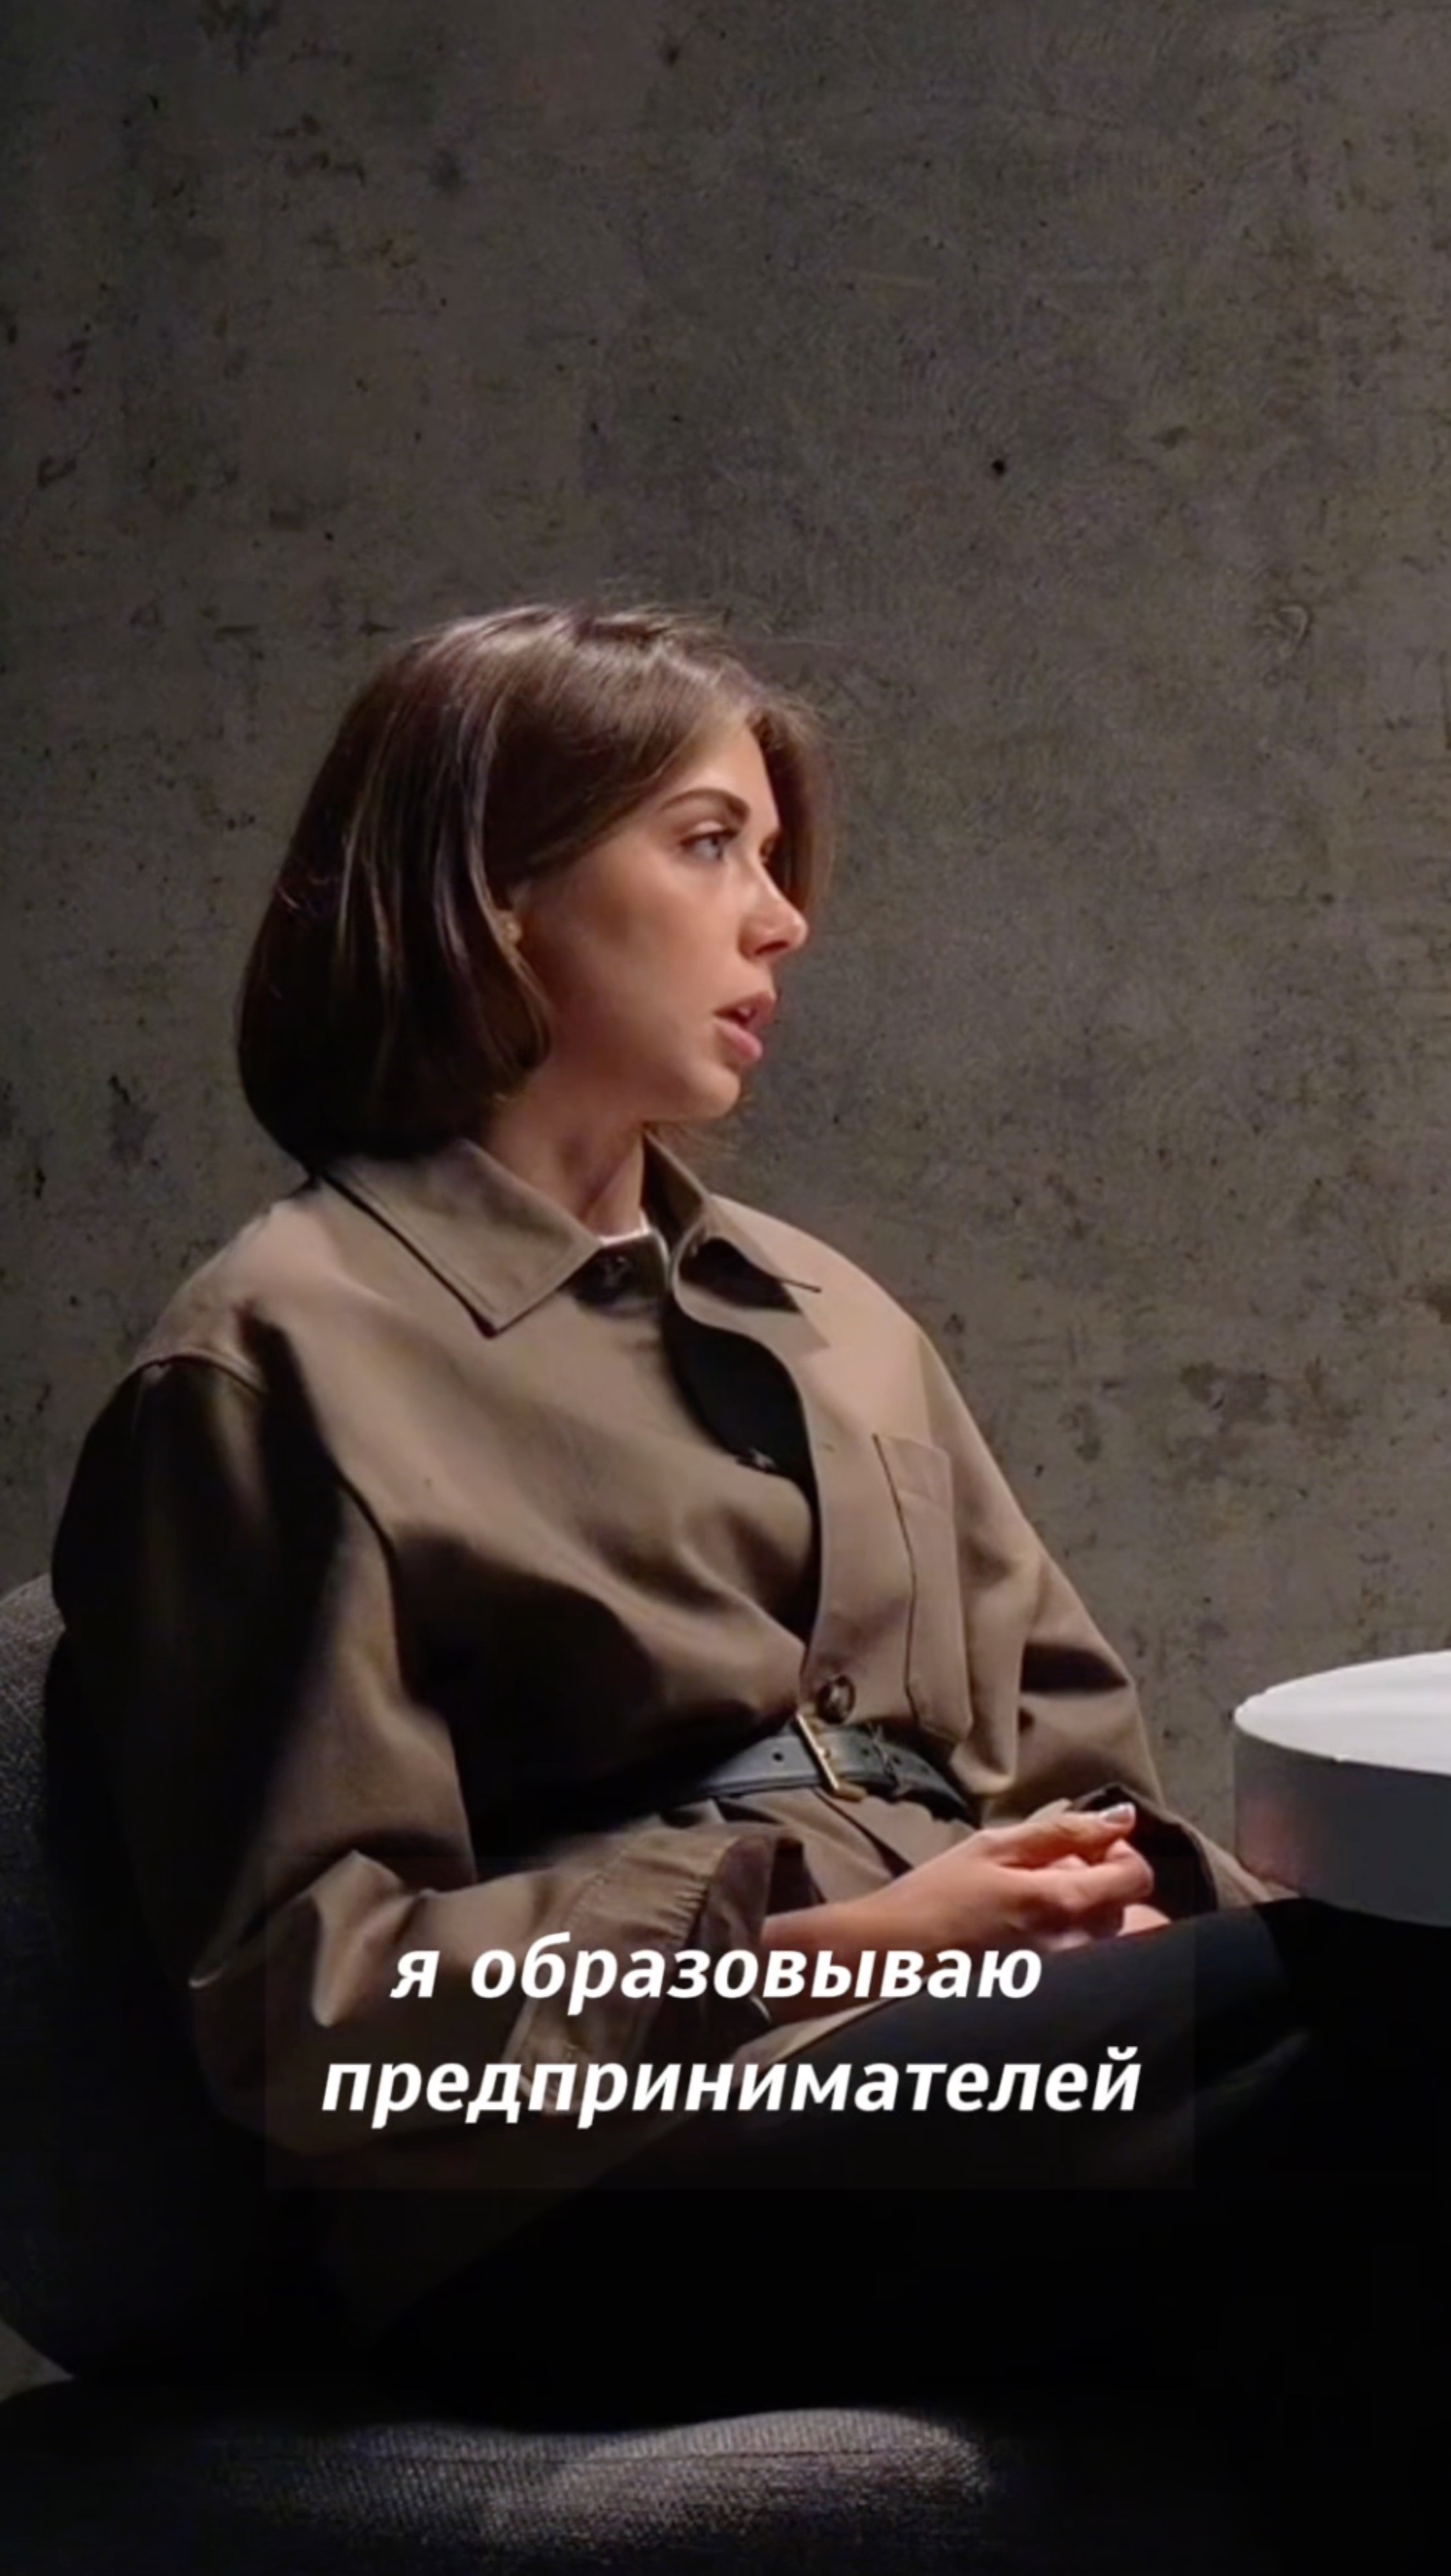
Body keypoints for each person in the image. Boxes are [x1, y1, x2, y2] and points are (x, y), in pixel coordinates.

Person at [50, 603, 1447, 2565]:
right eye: (709, 845)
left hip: (970, 2086)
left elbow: (1077, 1773)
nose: (781, 920)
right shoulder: (276, 1361)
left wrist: (1113, 1913)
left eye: (774, 859)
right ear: (495, 895)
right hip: (572, 2203)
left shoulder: (833, 1317)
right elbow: (319, 2014)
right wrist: (841, 1949)